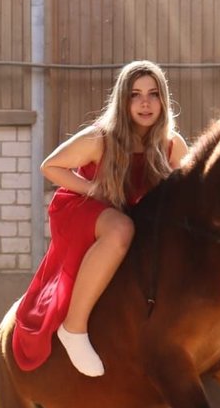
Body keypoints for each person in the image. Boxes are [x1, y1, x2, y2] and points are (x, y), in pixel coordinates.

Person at [11, 60, 188, 375]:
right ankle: (74, 328)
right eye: (135, 94)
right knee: (121, 229)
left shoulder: (172, 145)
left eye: (153, 94)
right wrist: (94, 189)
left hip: (126, 213)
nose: (145, 103)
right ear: (123, 100)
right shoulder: (100, 138)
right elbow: (50, 167)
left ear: (164, 99)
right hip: (81, 207)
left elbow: (187, 192)